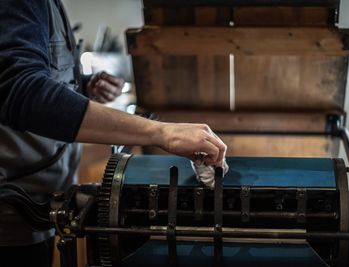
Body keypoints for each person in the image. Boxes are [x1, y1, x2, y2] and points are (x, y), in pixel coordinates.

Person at [0, 0, 227, 266]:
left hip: (40, 209)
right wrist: (160, 132)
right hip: (12, 212)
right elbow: (20, 90)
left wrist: (81, 88)